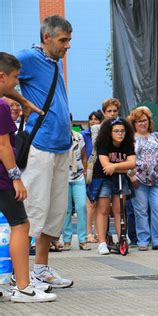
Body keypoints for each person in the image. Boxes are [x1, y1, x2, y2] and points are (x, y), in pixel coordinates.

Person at [5, 15, 74, 288]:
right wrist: (22, 101)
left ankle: (42, 269)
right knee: (31, 213)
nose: (67, 46)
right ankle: (16, 274)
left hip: (61, 147)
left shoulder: (54, 62)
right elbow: (2, 76)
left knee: (54, 214)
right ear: (47, 38)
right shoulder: (29, 57)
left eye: (68, 40)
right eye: (63, 40)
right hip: (40, 146)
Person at [0, 52, 56, 302]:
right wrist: (15, 177)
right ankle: (23, 287)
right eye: (15, 78)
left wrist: (24, 103)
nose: (17, 83)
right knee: (21, 225)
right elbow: (3, 147)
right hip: (2, 176)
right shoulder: (1, 107)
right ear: (2, 76)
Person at [89, 118, 136, 255]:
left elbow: (132, 163)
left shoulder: (127, 144)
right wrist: (125, 168)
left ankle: (122, 239)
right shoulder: (104, 143)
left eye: (122, 131)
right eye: (116, 131)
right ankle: (102, 242)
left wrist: (115, 166)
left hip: (120, 179)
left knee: (119, 210)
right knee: (103, 210)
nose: (120, 134)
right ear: (109, 132)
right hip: (103, 178)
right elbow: (105, 167)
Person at [128, 108, 158, 251]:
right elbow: (127, 158)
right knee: (141, 211)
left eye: (145, 120)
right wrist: (131, 176)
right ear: (134, 123)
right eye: (139, 121)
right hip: (138, 180)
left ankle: (157, 240)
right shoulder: (130, 139)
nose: (142, 123)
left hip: (157, 180)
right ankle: (143, 240)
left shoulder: (157, 136)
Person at [62, 113, 90, 251]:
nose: (67, 123)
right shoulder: (58, 138)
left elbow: (84, 156)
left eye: (69, 121)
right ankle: (66, 240)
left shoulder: (79, 137)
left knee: (81, 207)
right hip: (63, 178)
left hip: (78, 176)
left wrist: (84, 171)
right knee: (66, 210)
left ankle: (83, 240)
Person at [82, 110, 103, 243]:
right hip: (89, 171)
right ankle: (88, 232)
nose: (93, 121)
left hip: (101, 171)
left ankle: (97, 232)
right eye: (91, 119)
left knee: (100, 205)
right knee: (90, 204)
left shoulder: (104, 135)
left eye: (96, 119)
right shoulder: (84, 135)